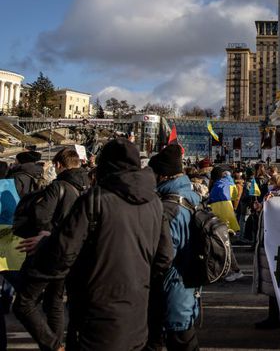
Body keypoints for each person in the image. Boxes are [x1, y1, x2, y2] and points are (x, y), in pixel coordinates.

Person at [29, 138, 173, 350]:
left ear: (106, 166)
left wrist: (46, 247)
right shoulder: (155, 203)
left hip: (95, 315)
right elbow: (165, 257)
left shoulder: (95, 199)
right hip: (138, 314)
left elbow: (63, 254)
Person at [13, 148, 91, 351]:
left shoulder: (58, 187)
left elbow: (41, 216)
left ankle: (53, 345)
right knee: (55, 302)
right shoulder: (87, 188)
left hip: (49, 252)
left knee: (24, 302)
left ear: (58, 165)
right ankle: (56, 344)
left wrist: (45, 234)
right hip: (71, 253)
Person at [146, 144, 201, 350]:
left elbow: (165, 255)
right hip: (189, 283)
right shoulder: (192, 197)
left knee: (178, 341)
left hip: (172, 286)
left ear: (163, 176)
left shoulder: (169, 207)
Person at [253, 174, 280, 329]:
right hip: (275, 245)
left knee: (276, 286)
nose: (268, 185)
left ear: (278, 185)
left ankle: (274, 319)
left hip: (276, 246)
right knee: (276, 286)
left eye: (271, 183)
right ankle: (276, 317)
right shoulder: (274, 198)